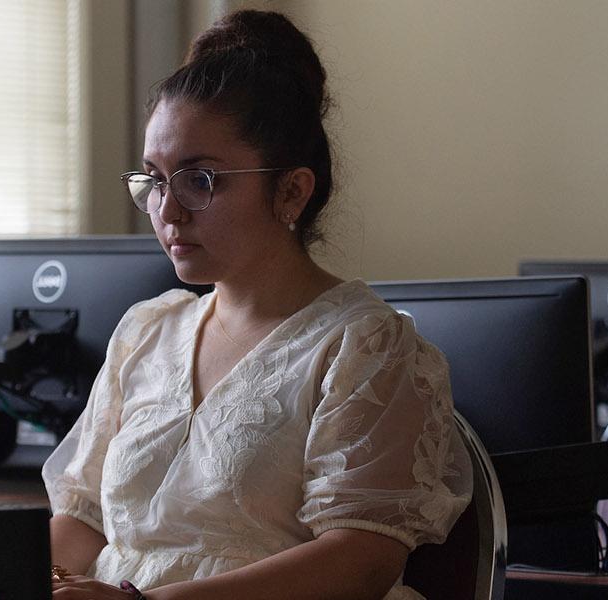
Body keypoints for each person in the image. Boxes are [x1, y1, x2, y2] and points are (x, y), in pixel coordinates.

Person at [43, 10, 471, 600]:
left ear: (292, 190)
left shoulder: (363, 344)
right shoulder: (148, 330)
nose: (168, 211)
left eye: (200, 180)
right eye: (155, 180)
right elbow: (82, 520)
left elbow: (359, 559)